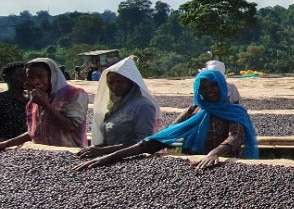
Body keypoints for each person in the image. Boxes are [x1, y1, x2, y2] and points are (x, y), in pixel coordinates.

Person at [73, 68, 258, 172]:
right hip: (193, 166)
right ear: (197, 91)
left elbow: (235, 137)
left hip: (221, 166)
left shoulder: (235, 111)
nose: (209, 90)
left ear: (222, 87)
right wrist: (110, 155)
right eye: (203, 87)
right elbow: (166, 137)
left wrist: (214, 153)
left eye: (214, 86)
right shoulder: (193, 110)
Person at [75, 56, 162, 160]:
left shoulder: (143, 106)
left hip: (133, 160)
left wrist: (103, 151)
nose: (114, 87)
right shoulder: (116, 107)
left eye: (119, 82)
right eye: (111, 83)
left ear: (130, 82)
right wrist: (96, 148)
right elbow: (110, 141)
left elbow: (143, 143)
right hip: (111, 158)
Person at [0, 58, 88, 151]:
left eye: (40, 76)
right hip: (43, 151)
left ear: (52, 76)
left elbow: (70, 126)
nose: (36, 81)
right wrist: (5, 144)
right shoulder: (34, 99)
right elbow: (33, 132)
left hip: (70, 151)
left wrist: (45, 105)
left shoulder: (74, 94)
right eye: (31, 78)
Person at [0, 62, 28, 141]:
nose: (25, 79)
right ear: (7, 78)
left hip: (31, 145)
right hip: (6, 146)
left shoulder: (34, 100)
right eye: (21, 76)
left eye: (27, 76)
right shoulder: (2, 100)